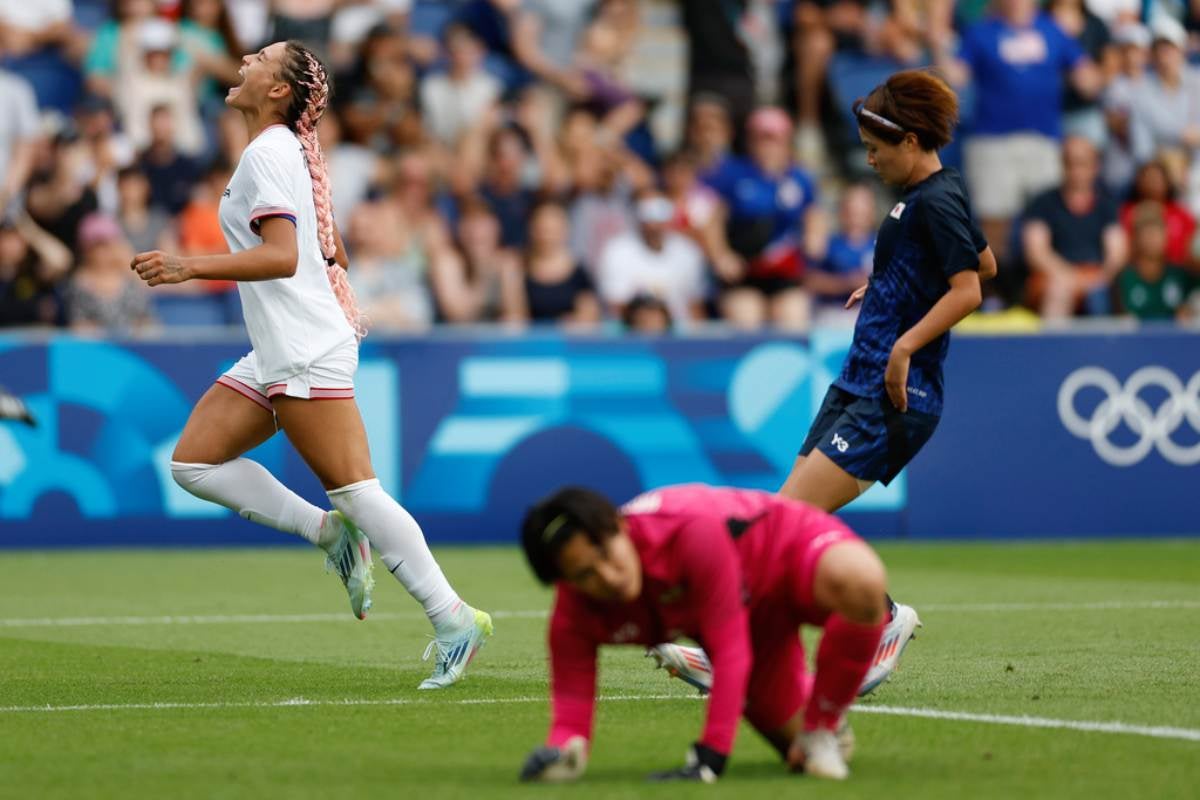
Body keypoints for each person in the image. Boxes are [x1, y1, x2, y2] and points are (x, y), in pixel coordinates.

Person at [129, 39, 492, 689]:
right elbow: (331, 252)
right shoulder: (287, 151)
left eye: (260, 59)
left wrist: (191, 264)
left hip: (302, 348)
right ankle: (331, 536)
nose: (244, 62)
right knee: (193, 463)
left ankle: (455, 618)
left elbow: (281, 255)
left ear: (278, 90)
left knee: (358, 489)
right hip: (287, 344)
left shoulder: (270, 151)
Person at [652, 71, 997, 702]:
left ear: (913, 141)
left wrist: (905, 343)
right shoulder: (921, 197)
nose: (867, 158)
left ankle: (869, 622)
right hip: (856, 382)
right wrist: (890, 288)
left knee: (785, 523)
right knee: (783, 521)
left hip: (895, 396)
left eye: (876, 147)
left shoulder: (937, 199)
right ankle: (749, 646)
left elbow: (972, 287)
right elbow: (983, 261)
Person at [518, 483, 891, 783]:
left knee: (861, 579)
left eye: (605, 551)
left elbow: (729, 648)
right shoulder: (573, 615)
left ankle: (827, 718)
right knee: (801, 756)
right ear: (565, 584)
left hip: (786, 549)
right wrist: (563, 753)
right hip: (752, 622)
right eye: (585, 575)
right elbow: (571, 706)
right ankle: (831, 689)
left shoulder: (686, 531)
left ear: (619, 525)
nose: (609, 577)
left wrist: (710, 756)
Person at [1021, 136, 1126, 318]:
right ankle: (1055, 345)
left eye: (1082, 163)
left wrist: (1098, 278)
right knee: (1059, 291)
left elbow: (1116, 253)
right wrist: (1069, 277)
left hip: (1095, 276)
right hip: (1054, 277)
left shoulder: (1106, 205)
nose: (1075, 171)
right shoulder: (1043, 203)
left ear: (1095, 167)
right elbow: (1036, 252)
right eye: (1070, 163)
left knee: (1102, 294)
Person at [1113, 201, 1197, 321]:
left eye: (1157, 231)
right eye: (1146, 233)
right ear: (1135, 238)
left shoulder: (1180, 275)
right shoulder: (1125, 277)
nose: (1152, 238)